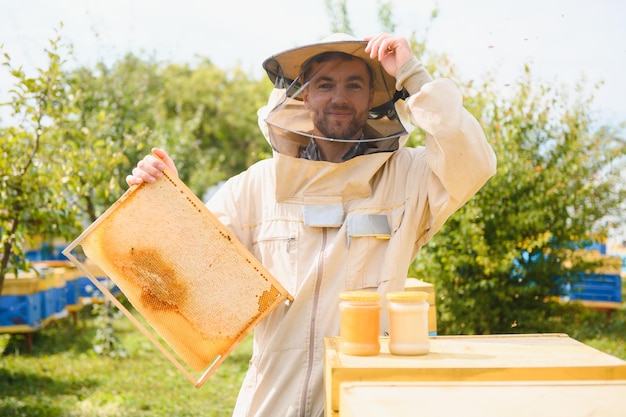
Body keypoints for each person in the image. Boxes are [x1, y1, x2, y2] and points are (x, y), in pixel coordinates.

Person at [127, 32, 496, 417]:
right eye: (325, 84)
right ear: (304, 96)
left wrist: (413, 74)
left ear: (372, 97)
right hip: (273, 397)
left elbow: (474, 162)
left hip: (367, 397)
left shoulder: (409, 178)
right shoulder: (257, 186)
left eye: (354, 84)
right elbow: (196, 269)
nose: (339, 97)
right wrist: (168, 199)